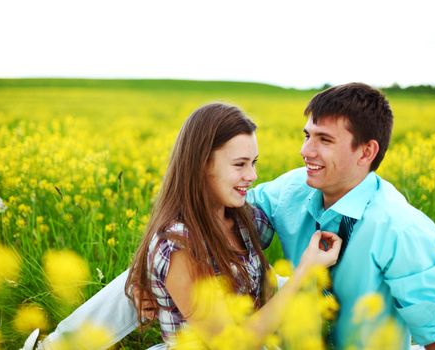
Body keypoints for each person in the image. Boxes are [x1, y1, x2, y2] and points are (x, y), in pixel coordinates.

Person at [30, 83, 435, 349]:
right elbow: (205, 221)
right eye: (306, 135)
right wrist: (154, 279)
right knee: (154, 263)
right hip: (270, 337)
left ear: (366, 152)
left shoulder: (401, 230)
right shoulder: (294, 190)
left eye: (324, 140)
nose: (305, 152)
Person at [31, 103, 342, 349]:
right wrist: (305, 272)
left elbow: (285, 199)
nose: (252, 175)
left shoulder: (242, 217)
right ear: (202, 163)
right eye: (239, 164)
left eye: (254, 162)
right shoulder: (178, 246)